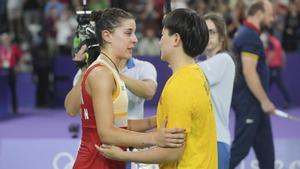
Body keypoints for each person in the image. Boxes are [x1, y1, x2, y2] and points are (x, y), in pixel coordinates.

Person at [64, 8, 185, 169]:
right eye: (128, 33)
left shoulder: (109, 71)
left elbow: (120, 125)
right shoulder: (101, 73)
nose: (135, 39)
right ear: (107, 36)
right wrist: (155, 138)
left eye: (134, 33)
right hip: (95, 164)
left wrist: (157, 120)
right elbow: (106, 133)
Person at [97, 8, 218, 169]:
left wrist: (123, 155)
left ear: (175, 39)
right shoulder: (196, 75)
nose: (160, 41)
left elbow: (173, 151)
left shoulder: (180, 85)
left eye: (162, 35)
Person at [230, 1, 276, 168]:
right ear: (259, 14)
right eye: (270, 15)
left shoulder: (249, 34)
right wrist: (265, 101)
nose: (273, 19)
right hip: (250, 104)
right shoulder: (249, 36)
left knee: (267, 156)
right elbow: (249, 72)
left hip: (257, 106)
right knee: (239, 151)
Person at [198, 12, 236, 169]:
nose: (207, 36)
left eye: (211, 32)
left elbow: (187, 70)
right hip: (203, 141)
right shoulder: (202, 65)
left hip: (216, 141)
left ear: (222, 37)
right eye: (204, 32)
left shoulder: (224, 60)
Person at [265, 30, 292, 109]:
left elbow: (272, 53)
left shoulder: (270, 41)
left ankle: (288, 101)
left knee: (271, 85)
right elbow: (282, 52)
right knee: (269, 85)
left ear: (268, 34)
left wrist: (265, 63)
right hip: (276, 66)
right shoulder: (276, 40)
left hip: (273, 67)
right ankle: (263, 101)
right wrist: (283, 63)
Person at [0, 33, 22, 114]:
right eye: (3, 39)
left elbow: (20, 57)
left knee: (13, 89)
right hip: (1, 70)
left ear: (9, 39)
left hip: (11, 70)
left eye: (6, 39)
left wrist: (18, 65)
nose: (5, 40)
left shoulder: (14, 48)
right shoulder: (0, 49)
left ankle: (14, 108)